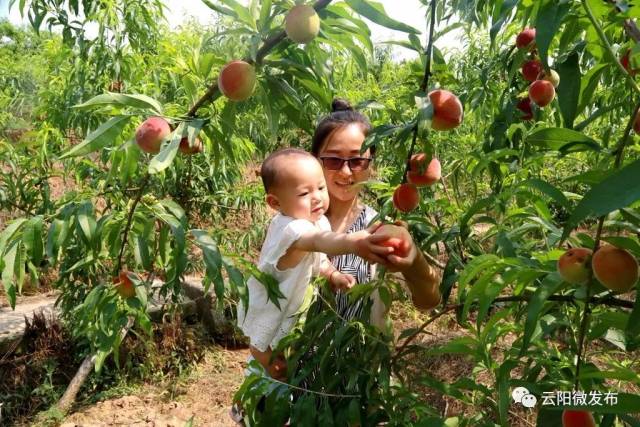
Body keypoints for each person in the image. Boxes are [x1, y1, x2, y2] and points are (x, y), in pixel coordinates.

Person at [236, 148, 394, 380]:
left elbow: (320, 260)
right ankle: (264, 366)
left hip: (292, 307)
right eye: (304, 193)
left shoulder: (316, 221)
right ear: (275, 202)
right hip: (271, 303)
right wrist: (352, 242)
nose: (317, 197)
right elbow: (321, 243)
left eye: (320, 188)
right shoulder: (290, 228)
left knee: (287, 353)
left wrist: (333, 275)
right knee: (263, 345)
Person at [309, 98, 442, 326]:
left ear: (371, 164)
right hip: (294, 360)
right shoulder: (297, 223)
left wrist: (413, 260)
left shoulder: (378, 226)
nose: (345, 171)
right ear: (314, 161)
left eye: (358, 160)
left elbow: (429, 300)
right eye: (332, 159)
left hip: (360, 359)